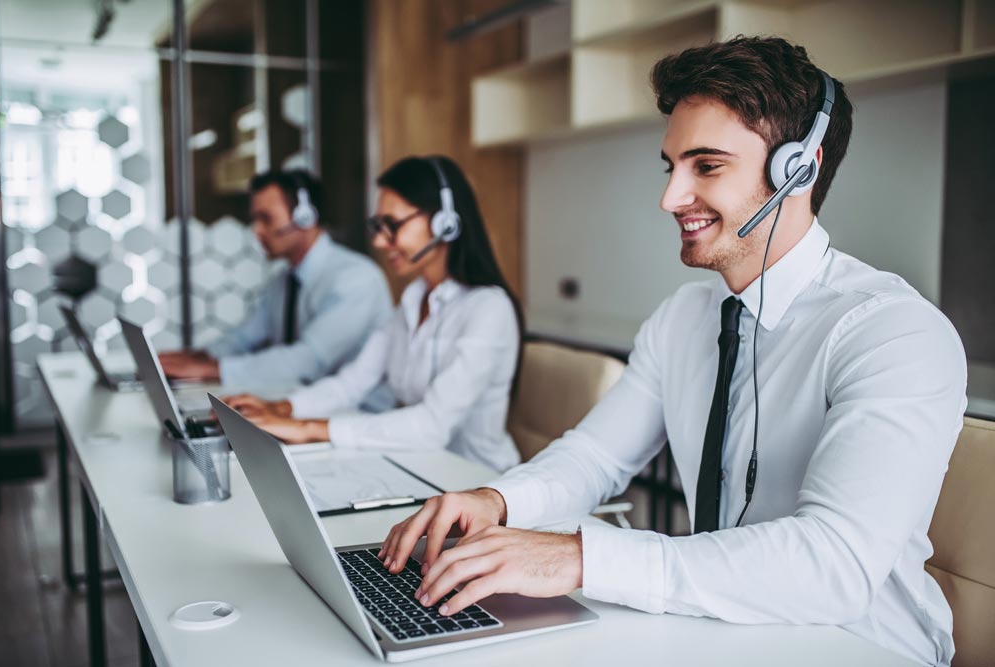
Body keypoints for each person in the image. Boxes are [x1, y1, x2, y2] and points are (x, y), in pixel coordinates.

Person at [377, 37, 966, 667]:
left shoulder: (893, 333)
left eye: (706, 166)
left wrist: (578, 556)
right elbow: (595, 456)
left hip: (858, 643)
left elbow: (834, 565)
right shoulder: (683, 319)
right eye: (671, 167)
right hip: (716, 625)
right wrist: (496, 502)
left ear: (800, 169)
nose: (670, 197)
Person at [223, 156, 525, 473]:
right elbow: (352, 383)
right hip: (419, 467)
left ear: (444, 222)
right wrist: (282, 408)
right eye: (378, 227)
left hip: (477, 479)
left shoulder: (489, 309)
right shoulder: (410, 303)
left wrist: (309, 428)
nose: (380, 241)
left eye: (392, 225)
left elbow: (432, 426)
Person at [158, 170, 392, 388]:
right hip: (299, 405)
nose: (257, 230)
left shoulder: (356, 278)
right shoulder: (282, 281)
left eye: (266, 218)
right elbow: (242, 338)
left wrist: (214, 369)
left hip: (358, 415)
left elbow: (308, 360)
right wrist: (196, 358)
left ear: (305, 217)